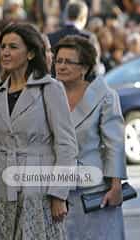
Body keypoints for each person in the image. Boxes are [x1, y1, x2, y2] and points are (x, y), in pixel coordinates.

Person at [0, 23, 78, 239]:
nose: (5, 52)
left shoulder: (50, 88)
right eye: (3, 46)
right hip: (2, 189)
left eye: (13, 47)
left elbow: (66, 145)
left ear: (31, 53)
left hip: (39, 189)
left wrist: (59, 195)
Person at [54, 35, 127, 239]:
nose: (61, 66)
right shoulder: (49, 95)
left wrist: (116, 186)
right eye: (58, 61)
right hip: (57, 190)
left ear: (84, 68)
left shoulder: (105, 96)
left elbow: (114, 144)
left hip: (96, 192)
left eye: (69, 62)